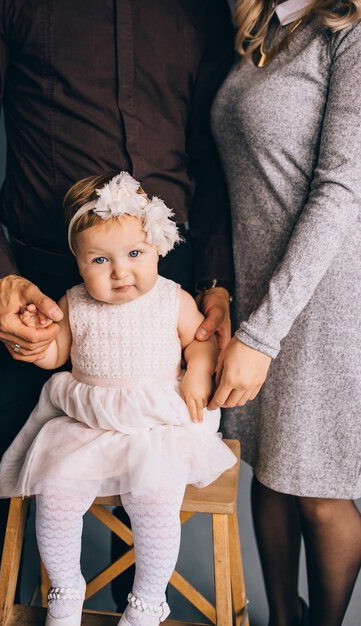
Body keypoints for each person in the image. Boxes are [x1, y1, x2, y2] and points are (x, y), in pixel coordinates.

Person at [0, 2, 235, 624]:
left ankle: (137, 608)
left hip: (166, 278)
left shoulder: (202, 9)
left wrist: (212, 284)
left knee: (149, 493)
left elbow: (212, 159)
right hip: (39, 286)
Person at [0, 171, 237, 626]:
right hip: (90, 421)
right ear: (78, 261)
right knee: (57, 497)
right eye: (100, 261)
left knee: (153, 501)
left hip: (154, 425)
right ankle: (65, 590)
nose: (121, 271)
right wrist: (37, 344)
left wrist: (199, 372)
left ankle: (147, 601)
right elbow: (57, 354)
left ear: (157, 247)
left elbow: (200, 341)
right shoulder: (73, 302)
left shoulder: (172, 299)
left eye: (134, 254)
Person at [210, 1, 361, 625]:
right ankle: (281, 619)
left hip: (323, 296)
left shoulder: (347, 32)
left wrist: (263, 333)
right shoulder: (264, 30)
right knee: (271, 471)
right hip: (258, 288)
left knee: (320, 489)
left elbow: (341, 187)